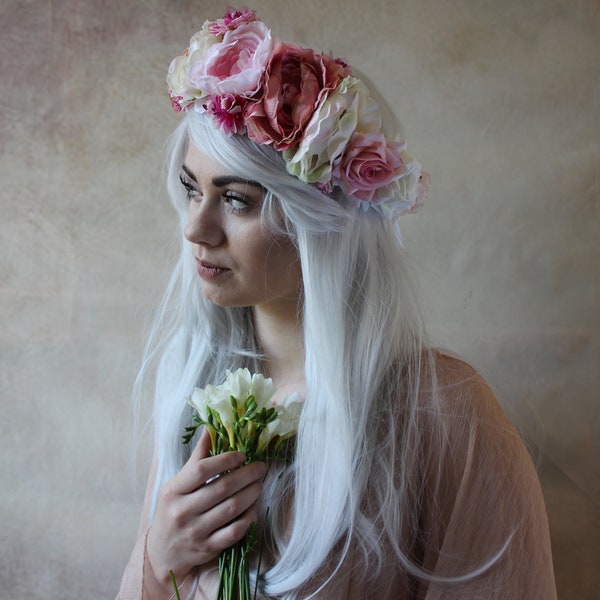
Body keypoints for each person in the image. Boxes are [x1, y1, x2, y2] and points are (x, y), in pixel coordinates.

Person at [117, 8, 557, 599]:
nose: (196, 229)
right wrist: (159, 559)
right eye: (192, 190)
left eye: (238, 201)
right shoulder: (194, 388)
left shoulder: (443, 416)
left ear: (318, 225)